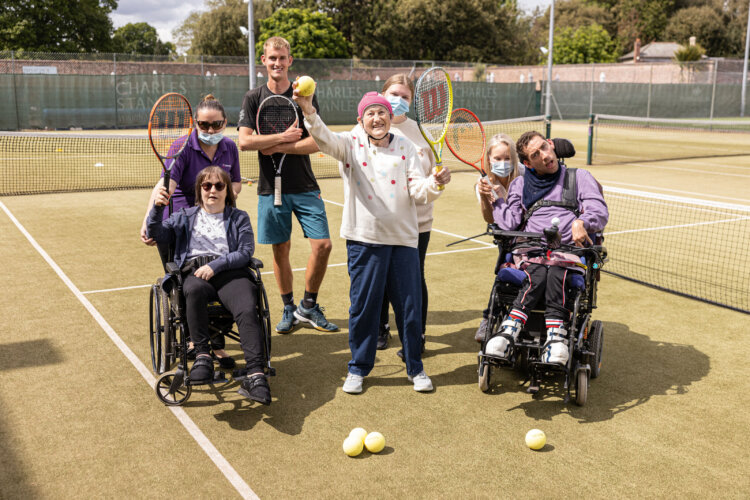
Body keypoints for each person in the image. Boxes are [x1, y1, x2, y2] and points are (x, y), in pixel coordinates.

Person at [293, 88, 449, 393]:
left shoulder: (406, 146)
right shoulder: (350, 143)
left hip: (404, 240)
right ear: (360, 120)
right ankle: (358, 368)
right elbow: (324, 138)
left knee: (410, 307)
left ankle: (415, 368)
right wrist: (309, 111)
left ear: (390, 117)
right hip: (363, 240)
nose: (376, 118)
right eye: (370, 114)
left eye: (381, 113)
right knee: (364, 307)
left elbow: (419, 191)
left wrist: (434, 183)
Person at [146, 166, 271, 405]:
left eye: (219, 186)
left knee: (247, 305)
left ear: (227, 191)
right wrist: (157, 207)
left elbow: (246, 252)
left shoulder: (239, 217)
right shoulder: (184, 216)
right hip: (196, 273)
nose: (212, 190)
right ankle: (202, 356)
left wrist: (217, 266)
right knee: (191, 290)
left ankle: (255, 374)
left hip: (231, 274)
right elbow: (157, 233)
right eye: (206, 186)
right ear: (199, 190)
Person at [238, 36, 337, 334]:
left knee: (323, 245)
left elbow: (316, 141)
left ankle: (308, 305)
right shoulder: (253, 97)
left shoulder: (303, 95)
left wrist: (274, 146)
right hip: (270, 189)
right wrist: (283, 138)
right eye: (272, 58)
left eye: (282, 58)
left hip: (305, 186)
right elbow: (244, 141)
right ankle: (289, 308)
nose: (277, 63)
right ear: (264, 61)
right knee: (280, 249)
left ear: (290, 61)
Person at [489, 131, 608, 365]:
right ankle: (553, 337)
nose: (544, 155)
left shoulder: (579, 177)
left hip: (568, 252)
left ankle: (513, 328)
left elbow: (598, 210)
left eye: (544, 147)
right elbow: (511, 222)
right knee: (542, 266)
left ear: (551, 145)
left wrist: (582, 222)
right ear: (527, 163)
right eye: (536, 154)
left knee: (554, 266)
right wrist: (495, 200)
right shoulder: (520, 184)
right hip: (532, 251)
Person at [140, 94, 241, 369]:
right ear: (195, 123)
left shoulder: (230, 147)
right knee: (185, 283)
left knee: (224, 277)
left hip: (218, 223)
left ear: (225, 122)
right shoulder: (181, 146)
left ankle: (215, 344)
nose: (210, 130)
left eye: (215, 124)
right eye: (204, 125)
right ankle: (196, 341)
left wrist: (219, 198)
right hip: (182, 226)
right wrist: (149, 218)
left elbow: (236, 185)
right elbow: (165, 188)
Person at [376, 74, 452, 354]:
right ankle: (380, 328)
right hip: (381, 222)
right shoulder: (367, 127)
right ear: (383, 94)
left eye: (405, 96)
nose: (399, 100)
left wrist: (440, 179)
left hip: (417, 224)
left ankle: (416, 335)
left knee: (413, 279)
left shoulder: (423, 133)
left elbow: (432, 180)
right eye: (394, 94)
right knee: (380, 277)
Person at [473, 133, 522, 342]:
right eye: (498, 158)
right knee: (504, 267)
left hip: (527, 232)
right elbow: (489, 218)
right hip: (505, 235)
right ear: (489, 160)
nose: (502, 163)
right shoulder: (483, 182)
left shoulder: (524, 177)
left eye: (507, 158)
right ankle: (489, 318)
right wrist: (485, 197)